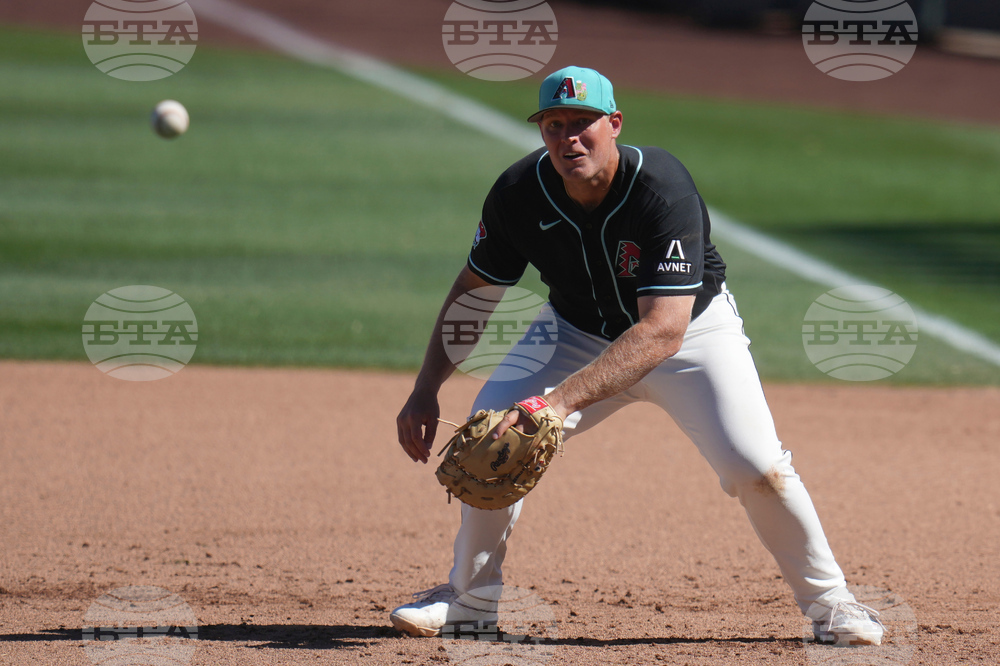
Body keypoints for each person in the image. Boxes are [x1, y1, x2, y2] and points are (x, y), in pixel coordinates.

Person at [392, 66, 884, 647]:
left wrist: (554, 403)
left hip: (692, 337)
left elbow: (662, 331)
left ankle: (834, 606)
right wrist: (426, 387)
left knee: (755, 467)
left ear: (614, 124)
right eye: (554, 125)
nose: (568, 138)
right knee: (493, 440)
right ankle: (470, 602)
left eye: (583, 124)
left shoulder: (662, 188)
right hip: (574, 331)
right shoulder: (518, 193)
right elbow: (477, 291)